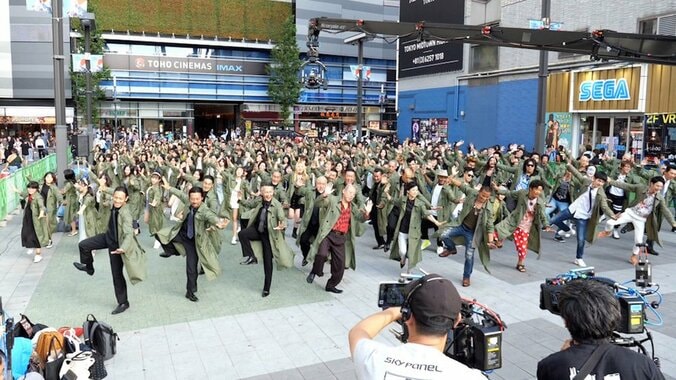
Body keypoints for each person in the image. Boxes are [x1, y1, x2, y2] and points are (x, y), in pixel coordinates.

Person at [349, 274, 486, 379]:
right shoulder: (470, 376)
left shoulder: (372, 359)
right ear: (457, 321)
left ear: (407, 316)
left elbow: (358, 331)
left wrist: (393, 312)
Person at [537, 279, 665, 380]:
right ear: (614, 315)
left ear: (566, 321)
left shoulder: (551, 366)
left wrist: (564, 357)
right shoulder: (642, 364)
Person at [73, 186, 147, 314]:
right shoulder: (115, 200)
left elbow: (129, 233)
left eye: (120, 198)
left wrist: (123, 248)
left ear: (126, 199)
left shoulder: (126, 213)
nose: (117, 200)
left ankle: (123, 303)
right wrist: (103, 186)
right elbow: (112, 190)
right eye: (116, 197)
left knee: (117, 275)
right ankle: (88, 267)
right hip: (107, 237)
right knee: (84, 245)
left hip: (118, 246)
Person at [155, 182, 229, 302]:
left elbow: (212, 217)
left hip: (194, 241)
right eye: (192, 198)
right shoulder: (188, 201)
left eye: (197, 199)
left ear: (202, 198)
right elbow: (180, 194)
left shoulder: (205, 210)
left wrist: (219, 224)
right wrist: (170, 188)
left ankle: (190, 292)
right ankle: (172, 251)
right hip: (181, 233)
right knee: (159, 235)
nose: (194, 201)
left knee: (191, 268)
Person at [306, 184, 373, 294]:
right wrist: (324, 195)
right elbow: (318, 203)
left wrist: (367, 213)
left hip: (341, 237)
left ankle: (331, 285)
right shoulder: (332, 200)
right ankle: (315, 271)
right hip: (328, 234)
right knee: (321, 254)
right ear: (343, 191)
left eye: (353, 194)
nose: (351, 196)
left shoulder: (353, 207)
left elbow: (360, 218)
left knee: (340, 266)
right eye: (350, 192)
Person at [598, 176, 676, 265]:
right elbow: (626, 186)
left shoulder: (659, 198)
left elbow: (666, 210)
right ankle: (608, 232)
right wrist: (611, 181)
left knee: (639, 241)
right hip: (630, 213)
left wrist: (673, 223)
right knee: (609, 222)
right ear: (651, 183)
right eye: (657, 186)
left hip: (641, 219)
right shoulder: (641, 188)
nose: (658, 188)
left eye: (661, 187)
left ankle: (634, 256)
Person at [237, 183, 294, 297]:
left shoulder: (276, 205)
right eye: (265, 192)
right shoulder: (259, 201)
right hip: (258, 230)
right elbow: (250, 203)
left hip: (269, 236)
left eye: (270, 192)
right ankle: (252, 257)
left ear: (273, 193)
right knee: (242, 234)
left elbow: (282, 217)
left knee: (268, 263)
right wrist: (240, 200)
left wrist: (283, 224)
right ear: (262, 193)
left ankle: (266, 288)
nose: (268, 194)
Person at [548, 171, 615, 267]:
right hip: (573, 209)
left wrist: (612, 215)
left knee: (581, 239)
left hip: (584, 216)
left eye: (602, 182)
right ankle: (567, 229)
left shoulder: (601, 194)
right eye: (598, 180)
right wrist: (568, 163)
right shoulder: (586, 182)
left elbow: (605, 207)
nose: (599, 183)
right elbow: (576, 173)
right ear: (593, 179)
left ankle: (578, 258)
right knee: (553, 220)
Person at [11, 181, 49, 263]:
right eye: (29, 188)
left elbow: (42, 206)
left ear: (36, 189)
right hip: (28, 217)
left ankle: (38, 255)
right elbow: (23, 193)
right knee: (26, 232)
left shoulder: (38, 197)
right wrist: (15, 190)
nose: (30, 190)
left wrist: (42, 213)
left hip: (36, 220)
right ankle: (30, 246)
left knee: (36, 236)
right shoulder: (29, 195)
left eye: (32, 188)